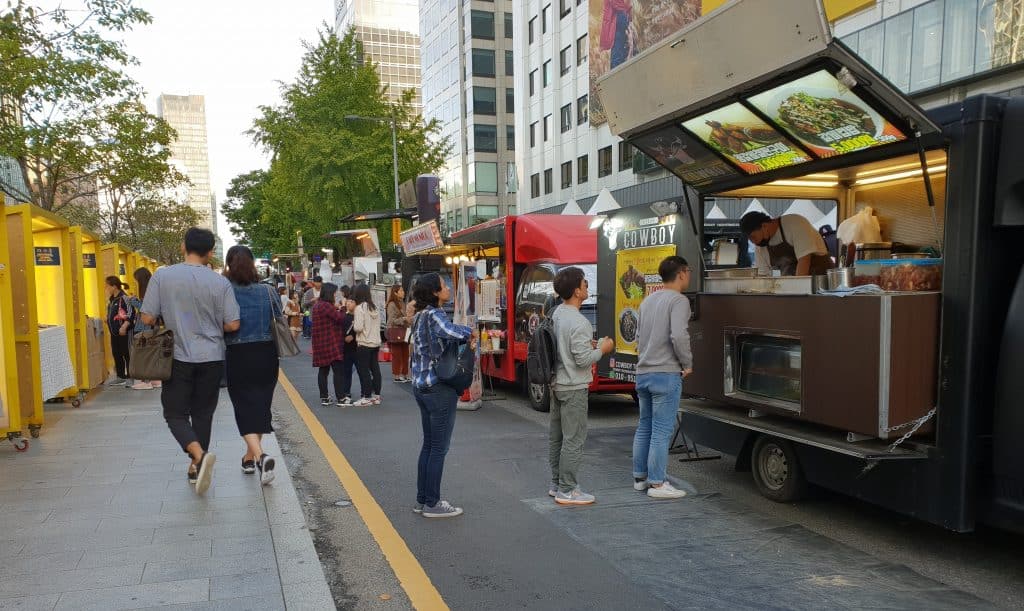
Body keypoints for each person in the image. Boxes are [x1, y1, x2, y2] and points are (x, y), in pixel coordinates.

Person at [140, 228, 240, 495]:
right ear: (210, 253)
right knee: (203, 413)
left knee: (174, 413)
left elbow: (147, 318)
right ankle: (197, 464)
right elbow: (232, 323)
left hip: (177, 356)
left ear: (183, 246)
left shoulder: (163, 276)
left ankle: (197, 455)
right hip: (212, 357)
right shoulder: (220, 283)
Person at [409, 273, 476, 518]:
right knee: (439, 448)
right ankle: (433, 503)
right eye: (443, 285)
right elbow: (451, 331)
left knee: (428, 446)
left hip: (420, 386)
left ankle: (422, 499)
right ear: (435, 293)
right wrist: (471, 332)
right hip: (438, 389)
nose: (447, 287)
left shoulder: (418, 316)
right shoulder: (434, 315)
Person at [548, 267, 615, 505]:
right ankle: (568, 489)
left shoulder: (555, 314)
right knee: (574, 439)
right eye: (585, 284)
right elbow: (583, 360)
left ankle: (557, 484)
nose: (587, 287)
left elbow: (565, 346)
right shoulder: (580, 322)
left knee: (557, 437)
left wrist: (591, 345)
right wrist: (602, 349)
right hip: (573, 386)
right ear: (577, 291)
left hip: (556, 383)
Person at [632, 256, 692, 500]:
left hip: (643, 372)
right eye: (688, 271)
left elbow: (637, 337)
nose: (689, 276)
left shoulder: (648, 300)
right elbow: (679, 335)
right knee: (661, 430)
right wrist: (687, 363)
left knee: (644, 426)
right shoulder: (679, 300)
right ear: (681, 273)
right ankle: (658, 484)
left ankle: (640, 478)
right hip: (666, 373)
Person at [223, 246, 281, 485]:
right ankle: (250, 458)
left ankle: (260, 456)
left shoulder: (224, 292)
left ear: (228, 265)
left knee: (244, 408)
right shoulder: (268, 291)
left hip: (237, 354)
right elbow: (279, 317)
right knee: (260, 406)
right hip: (267, 354)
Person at [740, 211, 834, 277]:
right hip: (793, 285)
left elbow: (804, 260)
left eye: (753, 237)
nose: (753, 242)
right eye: (750, 239)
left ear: (764, 226)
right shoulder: (760, 247)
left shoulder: (795, 223)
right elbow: (763, 275)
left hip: (821, 280)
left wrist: (796, 292)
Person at [311, 283, 347, 407]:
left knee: (323, 370)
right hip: (330, 342)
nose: (335, 295)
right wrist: (343, 308)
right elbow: (339, 318)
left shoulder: (317, 305)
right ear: (329, 293)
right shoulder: (326, 306)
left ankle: (324, 397)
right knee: (338, 371)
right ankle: (341, 398)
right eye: (334, 293)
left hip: (319, 343)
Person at [352, 283, 382, 407]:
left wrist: (354, 323)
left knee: (364, 370)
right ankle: (376, 396)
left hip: (364, 343)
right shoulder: (374, 307)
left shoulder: (359, 308)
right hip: (375, 342)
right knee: (375, 369)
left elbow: (358, 328)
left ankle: (367, 396)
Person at [130, 268, 158, 390]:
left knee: (143, 354)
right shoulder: (153, 289)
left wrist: (133, 301)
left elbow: (145, 308)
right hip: (151, 326)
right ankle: (155, 380)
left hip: (144, 326)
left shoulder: (146, 292)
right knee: (150, 353)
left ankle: (146, 381)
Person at [105, 276, 136, 387]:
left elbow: (131, 313)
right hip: (114, 332)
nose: (106, 288)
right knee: (116, 353)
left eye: (107, 286)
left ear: (114, 286)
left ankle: (130, 377)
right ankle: (120, 376)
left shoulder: (124, 298)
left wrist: (124, 326)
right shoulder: (112, 299)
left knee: (127, 353)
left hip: (124, 332)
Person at [386, 285, 412, 383]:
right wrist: (404, 319)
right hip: (395, 331)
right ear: (395, 293)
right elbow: (392, 320)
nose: (403, 292)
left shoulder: (402, 303)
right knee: (397, 354)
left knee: (405, 353)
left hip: (404, 330)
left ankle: (405, 374)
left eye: (403, 290)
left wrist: (408, 320)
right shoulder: (392, 304)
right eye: (401, 290)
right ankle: (397, 376)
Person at [338, 297, 359, 405]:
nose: (348, 304)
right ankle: (346, 392)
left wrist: (353, 337)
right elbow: (339, 331)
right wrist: (343, 338)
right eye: (348, 302)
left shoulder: (359, 316)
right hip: (346, 348)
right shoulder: (343, 317)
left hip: (358, 347)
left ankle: (367, 392)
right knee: (346, 371)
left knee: (362, 371)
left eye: (351, 302)